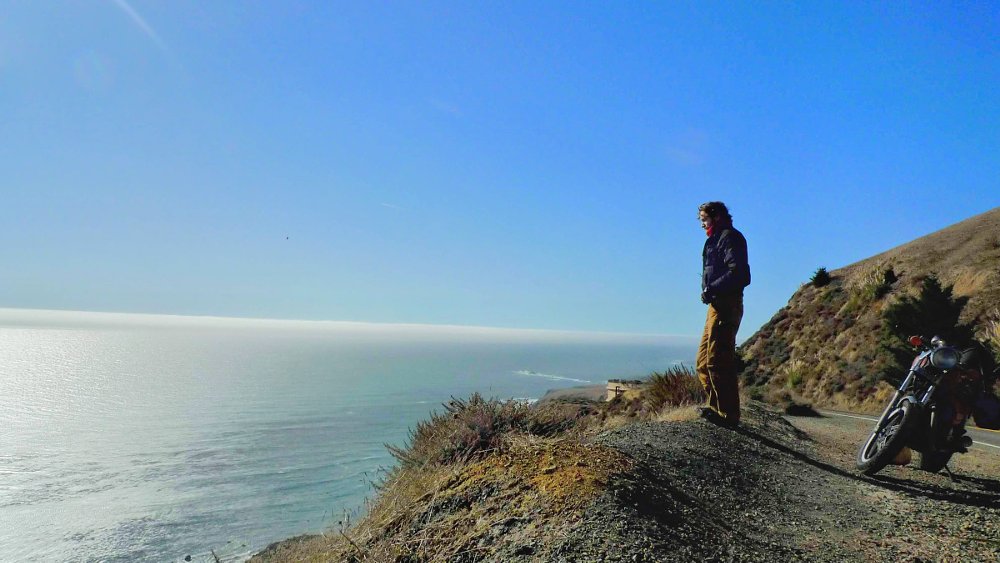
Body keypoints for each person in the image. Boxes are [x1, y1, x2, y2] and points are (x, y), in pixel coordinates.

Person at [695, 201, 751, 427]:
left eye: (704, 220)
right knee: (703, 363)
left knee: (718, 361)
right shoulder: (715, 240)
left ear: (716, 217)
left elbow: (740, 274)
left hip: (727, 305)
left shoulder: (729, 237)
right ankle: (716, 409)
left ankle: (728, 416)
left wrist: (713, 288)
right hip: (716, 306)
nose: (702, 225)